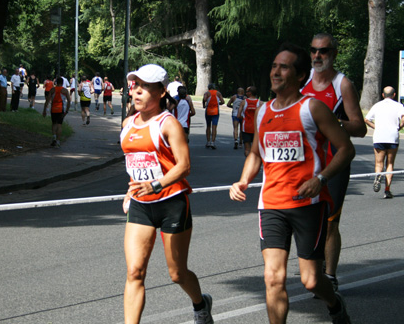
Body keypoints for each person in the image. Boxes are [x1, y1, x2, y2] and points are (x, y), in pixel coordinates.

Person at [229, 42, 354, 324]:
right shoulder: (262, 111)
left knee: (311, 280)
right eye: (274, 66)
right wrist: (243, 181)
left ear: (300, 76)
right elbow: (256, 154)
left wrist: (320, 179)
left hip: (307, 204)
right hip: (271, 204)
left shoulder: (313, 109)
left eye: (284, 67)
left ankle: (334, 304)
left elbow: (346, 148)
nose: (276, 72)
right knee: (273, 278)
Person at [120, 64, 213, 324]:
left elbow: (184, 165)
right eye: (135, 85)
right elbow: (136, 162)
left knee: (177, 273)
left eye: (145, 87)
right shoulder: (128, 123)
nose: (137, 92)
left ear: (161, 92)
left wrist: (156, 184)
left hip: (172, 202)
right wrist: (131, 190)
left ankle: (200, 304)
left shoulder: (168, 123)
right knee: (134, 271)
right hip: (141, 204)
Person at [301, 32, 366, 291]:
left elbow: (360, 127)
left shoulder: (342, 85)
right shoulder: (301, 80)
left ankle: (329, 275)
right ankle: (312, 270)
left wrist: (332, 122)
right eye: (314, 50)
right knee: (304, 219)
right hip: (304, 163)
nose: (318, 56)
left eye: (324, 51)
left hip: (334, 163)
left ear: (334, 54)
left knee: (330, 222)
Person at [364, 86, 404, 199]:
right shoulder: (399, 106)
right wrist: (399, 127)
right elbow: (403, 118)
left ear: (382, 95)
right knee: (390, 164)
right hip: (392, 136)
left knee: (378, 162)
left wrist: (375, 127)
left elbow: (366, 119)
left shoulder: (377, 105)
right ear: (394, 95)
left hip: (379, 136)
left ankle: (378, 176)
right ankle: (387, 190)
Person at [42, 77, 71, 148]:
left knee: (54, 123)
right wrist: (67, 110)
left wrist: (44, 110)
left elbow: (47, 100)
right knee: (59, 124)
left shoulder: (52, 90)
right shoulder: (65, 90)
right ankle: (58, 141)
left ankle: (54, 137)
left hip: (53, 108)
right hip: (61, 109)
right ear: (62, 83)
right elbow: (69, 101)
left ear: (56, 82)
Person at [238, 86, 261, 157]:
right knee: (255, 149)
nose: (246, 93)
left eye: (247, 91)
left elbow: (238, 115)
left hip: (246, 128)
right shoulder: (260, 103)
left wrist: (245, 118)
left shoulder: (244, 102)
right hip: (256, 129)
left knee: (247, 149)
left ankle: (248, 163)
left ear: (250, 93)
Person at [202, 83, 224, 149]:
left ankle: (208, 142)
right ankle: (213, 142)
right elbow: (223, 101)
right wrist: (218, 103)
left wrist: (204, 105)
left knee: (208, 126)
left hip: (208, 111)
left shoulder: (207, 93)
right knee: (214, 127)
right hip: (216, 111)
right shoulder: (218, 93)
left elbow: (204, 99)